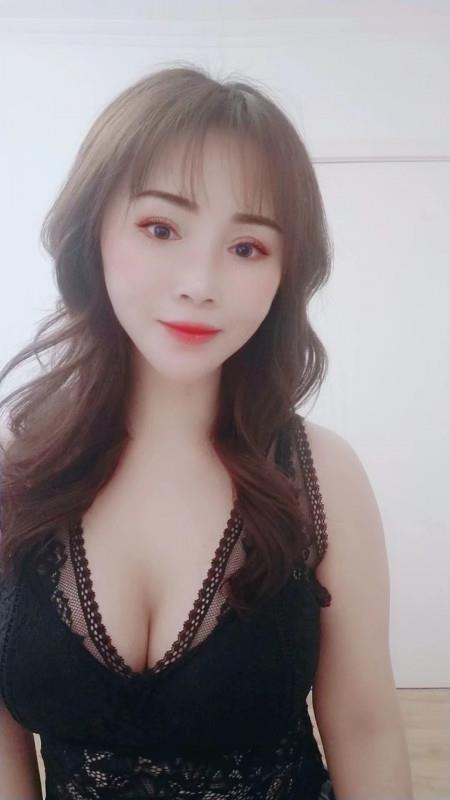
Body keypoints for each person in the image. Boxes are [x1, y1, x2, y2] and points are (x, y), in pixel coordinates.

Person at [0, 64, 413, 799]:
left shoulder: (322, 476)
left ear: (284, 274)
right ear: (93, 231)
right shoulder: (16, 476)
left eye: (247, 247)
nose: (200, 282)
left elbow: (365, 727)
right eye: (161, 228)